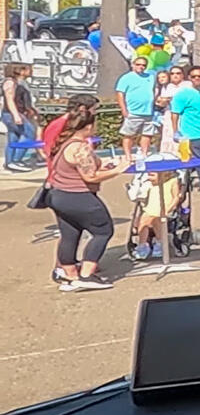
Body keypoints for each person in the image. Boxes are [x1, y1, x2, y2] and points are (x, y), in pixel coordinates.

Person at [43, 105, 119, 292]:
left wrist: (103, 167)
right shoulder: (80, 147)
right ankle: (86, 274)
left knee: (70, 234)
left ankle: (68, 274)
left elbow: (81, 170)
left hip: (58, 194)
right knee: (103, 230)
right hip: (78, 196)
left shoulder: (64, 143)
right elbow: (90, 177)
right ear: (88, 127)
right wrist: (119, 170)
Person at [169, 66, 200, 188]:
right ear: (189, 78)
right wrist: (176, 131)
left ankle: (184, 179)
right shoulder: (183, 95)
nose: (197, 78)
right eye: (194, 76)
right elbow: (175, 113)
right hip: (192, 131)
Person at [116, 52, 160, 161]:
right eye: (139, 64)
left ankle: (144, 154)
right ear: (133, 65)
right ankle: (128, 155)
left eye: (144, 65)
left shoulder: (150, 77)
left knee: (147, 134)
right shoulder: (126, 78)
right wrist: (124, 109)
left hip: (148, 111)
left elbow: (155, 89)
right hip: (133, 111)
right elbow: (120, 94)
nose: (141, 67)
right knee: (129, 135)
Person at [3, 63, 38, 171]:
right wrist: (16, 115)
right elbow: (9, 100)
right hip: (12, 114)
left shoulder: (18, 83)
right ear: (20, 70)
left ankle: (10, 161)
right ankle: (16, 160)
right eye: (28, 69)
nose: (31, 71)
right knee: (29, 134)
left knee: (14, 137)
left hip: (14, 113)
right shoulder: (10, 83)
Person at [154, 64, 187, 158]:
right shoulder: (168, 86)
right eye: (172, 74)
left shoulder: (187, 85)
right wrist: (161, 101)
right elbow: (162, 103)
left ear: (182, 75)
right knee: (168, 136)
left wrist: (170, 98)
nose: (175, 75)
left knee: (182, 136)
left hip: (183, 115)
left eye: (178, 73)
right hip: (169, 114)